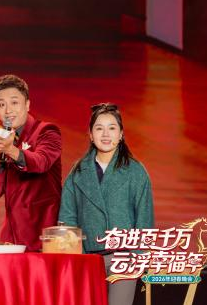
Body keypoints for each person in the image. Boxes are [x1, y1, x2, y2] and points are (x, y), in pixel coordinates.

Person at [59, 103, 154, 305]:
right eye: (99, 128)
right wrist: (77, 258)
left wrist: (138, 259)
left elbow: (144, 220)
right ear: (90, 135)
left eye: (112, 128)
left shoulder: (136, 172)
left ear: (121, 134)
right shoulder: (78, 172)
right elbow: (67, 219)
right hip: (88, 259)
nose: (105, 134)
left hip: (124, 259)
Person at [0, 74, 62, 251]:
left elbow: (41, 162)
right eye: (1, 104)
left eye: (14, 102)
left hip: (44, 233)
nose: (8, 110)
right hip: (11, 235)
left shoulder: (47, 131)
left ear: (27, 104)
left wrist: (10, 150)